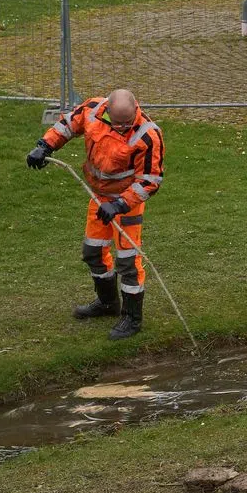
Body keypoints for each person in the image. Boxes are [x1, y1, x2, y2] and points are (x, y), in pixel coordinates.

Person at [27, 88, 165, 340]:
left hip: (127, 203)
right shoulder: (91, 109)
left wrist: (120, 205)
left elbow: (150, 181)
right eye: (118, 123)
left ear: (137, 107)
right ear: (107, 110)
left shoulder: (148, 134)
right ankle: (108, 303)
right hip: (99, 198)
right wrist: (44, 146)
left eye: (128, 122)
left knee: (128, 262)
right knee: (93, 252)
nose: (123, 128)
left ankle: (132, 318)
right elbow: (67, 126)